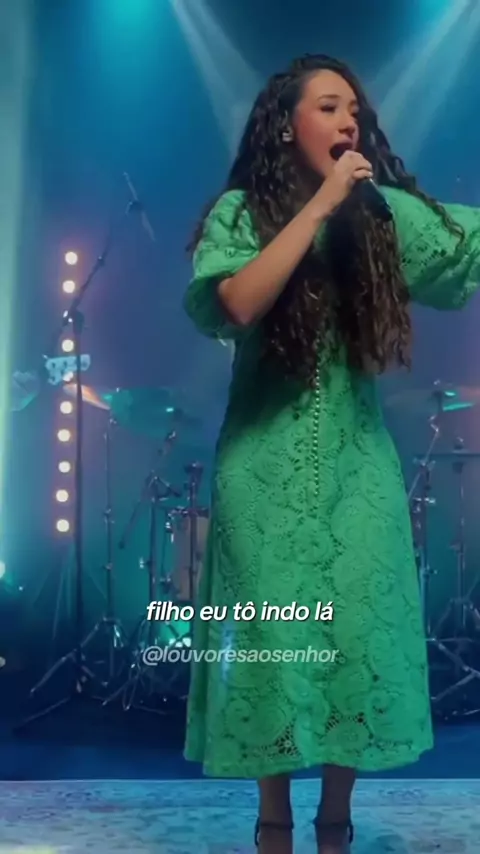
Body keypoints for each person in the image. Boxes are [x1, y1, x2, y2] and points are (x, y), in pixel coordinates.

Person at [181, 53, 480, 854]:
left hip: (359, 468)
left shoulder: (377, 214)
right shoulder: (243, 212)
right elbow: (236, 303)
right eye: (328, 106)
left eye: (354, 108)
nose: (349, 120)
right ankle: (273, 822)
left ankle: (335, 821)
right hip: (261, 465)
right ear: (286, 125)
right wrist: (320, 205)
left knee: (355, 635)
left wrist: (357, 204)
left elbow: (465, 245)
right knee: (274, 647)